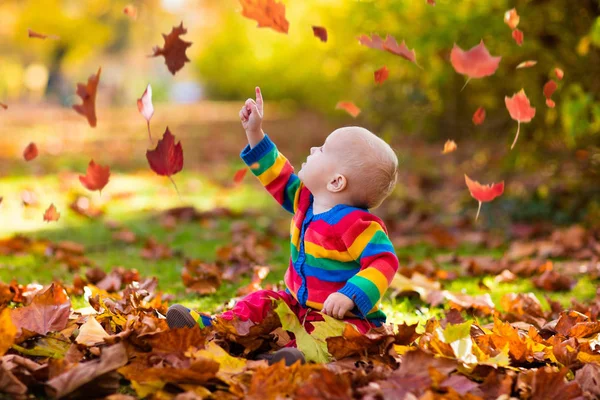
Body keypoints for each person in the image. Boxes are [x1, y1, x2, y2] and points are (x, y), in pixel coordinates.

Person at [167, 87, 400, 366]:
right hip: (296, 304)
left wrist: (350, 295)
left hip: (341, 317)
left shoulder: (359, 225)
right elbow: (278, 175)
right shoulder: (306, 199)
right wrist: (255, 133)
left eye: (323, 149)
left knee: (331, 338)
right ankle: (217, 327)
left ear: (336, 182)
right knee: (262, 302)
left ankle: (291, 357)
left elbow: (383, 261)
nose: (314, 149)